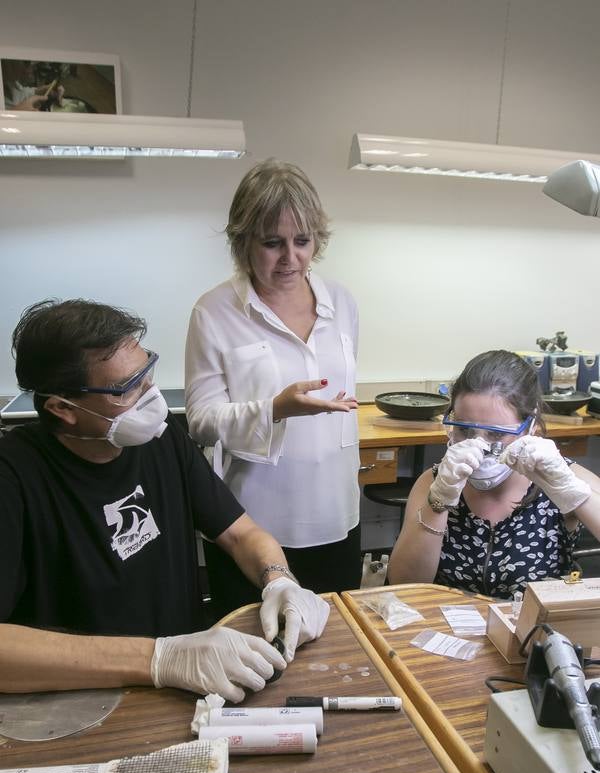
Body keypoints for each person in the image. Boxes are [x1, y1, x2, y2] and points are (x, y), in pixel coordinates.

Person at [0, 299, 330, 702]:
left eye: (147, 372)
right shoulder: (14, 477)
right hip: (85, 701)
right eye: (127, 388)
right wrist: (159, 657)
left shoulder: (162, 439)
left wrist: (278, 578)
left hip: (188, 685)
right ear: (62, 408)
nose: (151, 395)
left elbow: (241, 533)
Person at [185, 159, 361, 616]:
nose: (291, 258)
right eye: (272, 243)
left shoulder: (341, 301)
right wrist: (274, 409)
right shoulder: (214, 311)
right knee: (256, 649)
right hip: (251, 522)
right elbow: (201, 421)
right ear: (242, 242)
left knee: (337, 643)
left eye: (302, 242)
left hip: (336, 512)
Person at [388, 350, 600, 599]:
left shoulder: (563, 477)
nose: (480, 446)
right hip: (449, 629)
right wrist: (438, 504)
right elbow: (404, 583)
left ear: (529, 426)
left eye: (497, 434)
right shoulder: (434, 482)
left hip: (533, 632)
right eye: (465, 430)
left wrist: (573, 493)